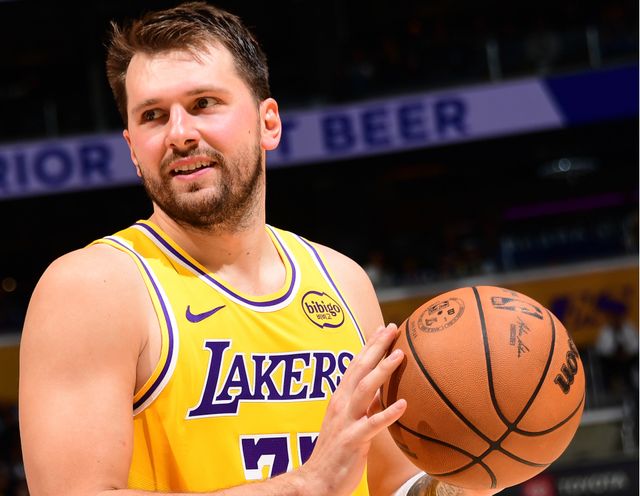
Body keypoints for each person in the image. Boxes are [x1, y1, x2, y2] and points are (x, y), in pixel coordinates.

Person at [18, 3, 498, 496]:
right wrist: (305, 486)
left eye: (204, 103)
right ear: (133, 150)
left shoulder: (343, 280)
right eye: (153, 116)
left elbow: (391, 481)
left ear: (269, 122)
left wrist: (476, 474)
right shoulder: (93, 289)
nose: (179, 134)